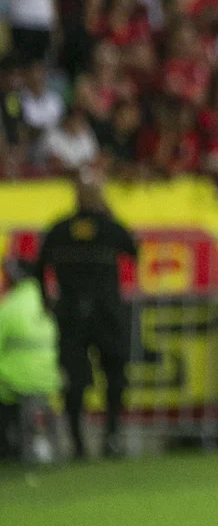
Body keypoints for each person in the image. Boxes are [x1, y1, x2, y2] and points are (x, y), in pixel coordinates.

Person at [36, 178, 138, 459]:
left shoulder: (58, 230)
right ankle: (112, 437)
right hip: (107, 315)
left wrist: (47, 301)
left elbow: (38, 267)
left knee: (74, 380)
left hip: (71, 316)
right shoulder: (110, 228)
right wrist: (110, 212)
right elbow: (134, 249)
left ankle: (78, 442)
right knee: (114, 376)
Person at [0, 259, 60, 460]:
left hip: (17, 382)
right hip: (48, 379)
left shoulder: (9, 306)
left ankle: (8, 448)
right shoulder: (45, 302)